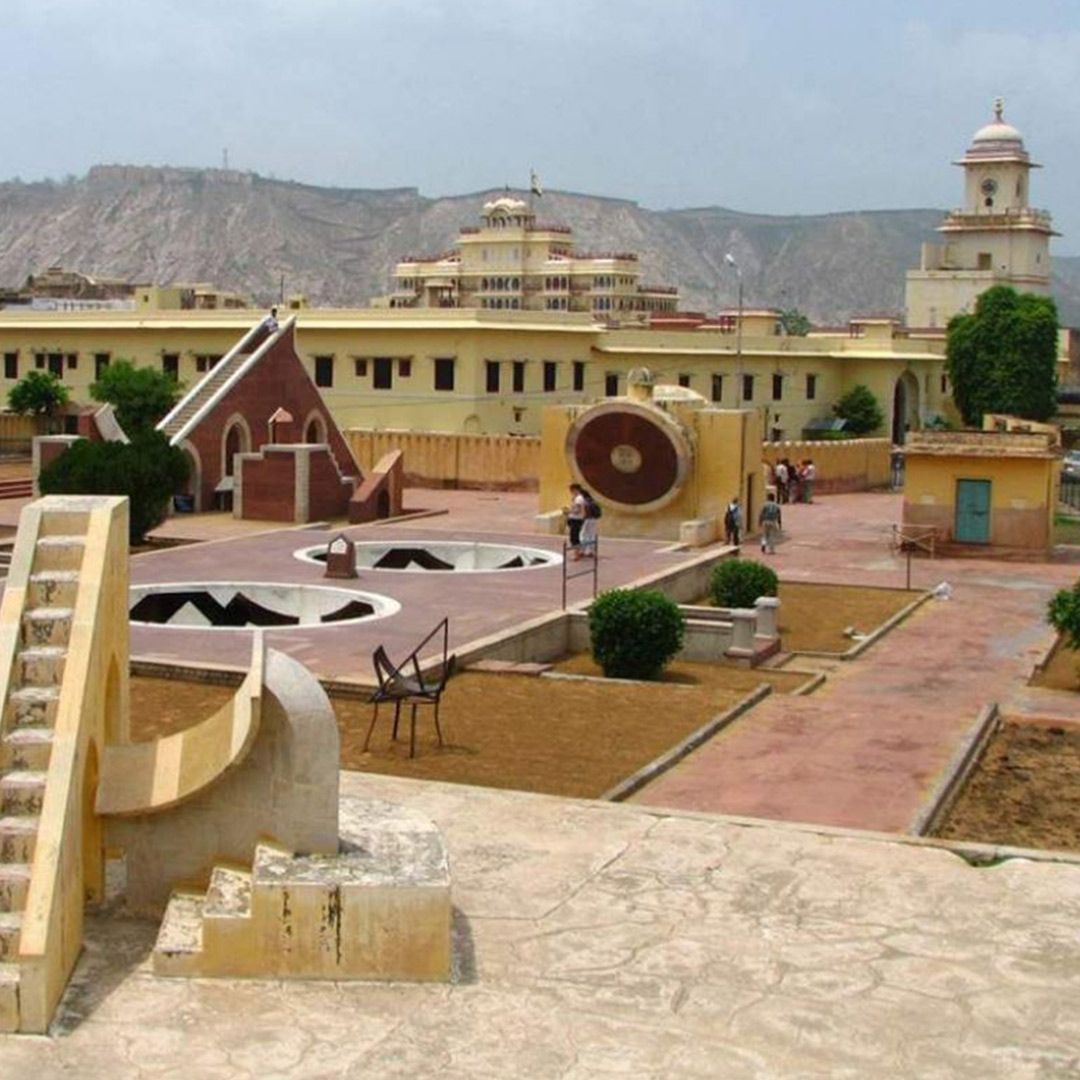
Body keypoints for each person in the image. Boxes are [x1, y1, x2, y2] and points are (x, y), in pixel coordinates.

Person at [566, 483, 587, 558]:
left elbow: (578, 510)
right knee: (575, 536)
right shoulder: (578, 498)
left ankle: (576, 554)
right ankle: (579, 551)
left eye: (571, 491)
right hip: (576, 519)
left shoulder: (579, 499)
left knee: (574, 537)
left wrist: (569, 511)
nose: (571, 492)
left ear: (575, 490)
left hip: (576, 519)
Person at [579, 489, 599, 558]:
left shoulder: (584, 502)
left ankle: (582, 551)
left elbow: (584, 514)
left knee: (582, 535)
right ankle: (591, 551)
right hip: (593, 519)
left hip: (586, 520)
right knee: (591, 535)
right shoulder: (592, 500)